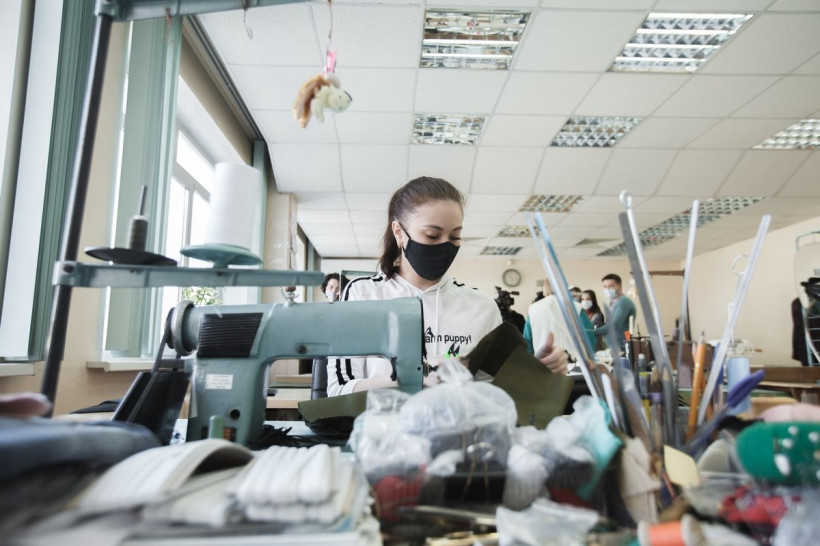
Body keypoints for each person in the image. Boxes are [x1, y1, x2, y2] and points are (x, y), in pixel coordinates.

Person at [326, 176, 568, 396]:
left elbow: (496, 392)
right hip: (384, 427)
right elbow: (339, 391)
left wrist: (534, 371)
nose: (445, 246)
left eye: (455, 237)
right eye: (432, 235)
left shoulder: (480, 306)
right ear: (399, 232)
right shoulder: (362, 295)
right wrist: (417, 380)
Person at [524, 278, 594, 363]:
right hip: (572, 363)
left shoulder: (533, 308)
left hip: (543, 362)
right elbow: (588, 335)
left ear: (544, 289)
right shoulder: (576, 307)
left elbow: (527, 340)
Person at [593, 273, 637, 351]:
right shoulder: (613, 302)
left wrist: (593, 332)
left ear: (619, 286)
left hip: (621, 346)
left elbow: (614, 325)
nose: (607, 289)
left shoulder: (623, 302)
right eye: (605, 287)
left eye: (611, 286)